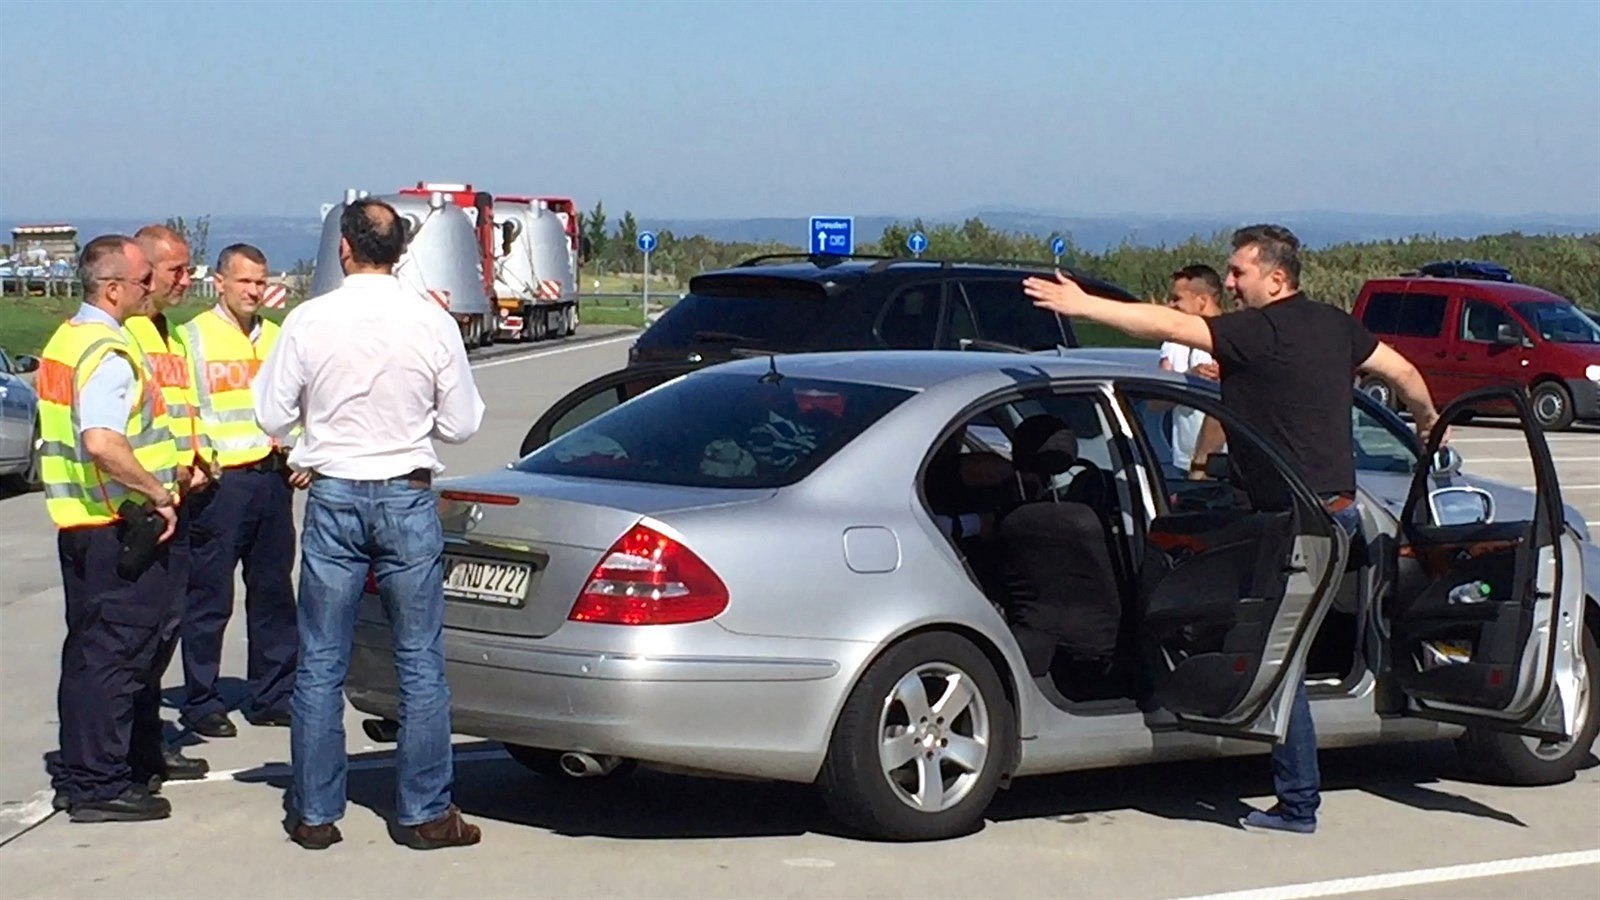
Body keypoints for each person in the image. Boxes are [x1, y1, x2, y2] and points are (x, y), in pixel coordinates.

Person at [1023, 224, 1441, 835]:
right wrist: (1428, 423)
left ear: (1277, 278)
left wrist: (1086, 307)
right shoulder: (1336, 326)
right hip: (1335, 515)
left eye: (1240, 272)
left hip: (1297, 525)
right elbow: (1403, 373)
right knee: (1277, 637)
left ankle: (1298, 804)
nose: (1231, 283)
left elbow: (1169, 326)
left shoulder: (1258, 332)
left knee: (1281, 657)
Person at [254, 198, 486, 851]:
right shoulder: (430, 321)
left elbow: (271, 413)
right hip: (405, 494)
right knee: (419, 660)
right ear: (403, 252)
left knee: (321, 660)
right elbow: (462, 423)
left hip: (334, 493)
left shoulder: (309, 319)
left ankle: (315, 811)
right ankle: (425, 811)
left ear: (344, 249)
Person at [38, 236, 184, 822]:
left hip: (79, 522)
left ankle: (87, 771)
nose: (153, 288)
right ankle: (99, 783)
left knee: (88, 655)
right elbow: (102, 441)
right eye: (145, 280)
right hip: (114, 525)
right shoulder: (107, 351)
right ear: (114, 288)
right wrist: (157, 491)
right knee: (115, 658)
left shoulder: (68, 339)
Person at [172, 244, 301, 739]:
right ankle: (202, 700)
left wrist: (301, 451)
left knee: (273, 592)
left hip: (273, 477)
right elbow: (184, 408)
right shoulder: (193, 338)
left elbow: (301, 402)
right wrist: (198, 461)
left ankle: (272, 694)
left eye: (260, 281)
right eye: (244, 281)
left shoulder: (277, 337)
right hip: (222, 483)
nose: (253, 290)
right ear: (220, 283)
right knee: (209, 597)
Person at [112, 224, 211, 783]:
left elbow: (183, 409)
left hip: (182, 494)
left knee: (167, 626)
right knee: (137, 634)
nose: (185, 280)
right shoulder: (128, 335)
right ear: (146, 273)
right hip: (142, 504)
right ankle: (131, 749)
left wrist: (201, 458)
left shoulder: (168, 332)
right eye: (176, 270)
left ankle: (148, 742)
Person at [1158, 265, 1225, 471]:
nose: (1171, 305)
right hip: (1182, 462)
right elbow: (1155, 403)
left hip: (1222, 464)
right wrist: (1187, 378)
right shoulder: (1172, 343)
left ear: (1202, 300)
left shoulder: (1230, 341)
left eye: (1177, 299)